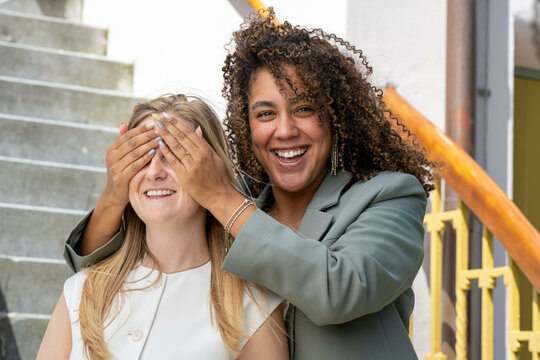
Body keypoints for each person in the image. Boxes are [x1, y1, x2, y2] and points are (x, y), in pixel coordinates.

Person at [62, 9, 436, 360]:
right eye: (265, 114)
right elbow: (103, 266)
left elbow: (338, 291)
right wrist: (114, 193)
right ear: (247, 127)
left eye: (305, 108)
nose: (285, 130)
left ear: (335, 118)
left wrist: (221, 198)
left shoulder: (390, 196)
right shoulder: (240, 203)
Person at [37, 94, 287, 360]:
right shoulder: (80, 291)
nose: (154, 172)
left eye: (174, 155)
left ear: (212, 170)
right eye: (141, 157)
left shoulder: (255, 306)